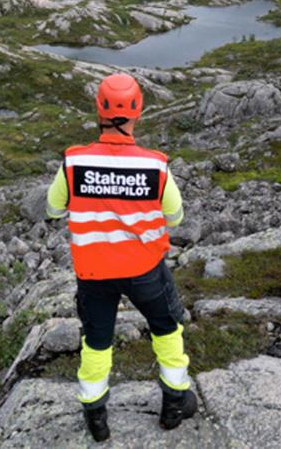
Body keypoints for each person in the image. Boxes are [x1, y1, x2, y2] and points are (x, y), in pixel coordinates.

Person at [45, 72, 197, 442]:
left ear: (98, 109)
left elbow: (53, 209)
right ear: (137, 112)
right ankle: (174, 405)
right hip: (145, 269)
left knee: (96, 341)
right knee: (167, 329)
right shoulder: (156, 166)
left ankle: (96, 417)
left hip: (94, 272)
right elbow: (175, 216)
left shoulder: (74, 162)